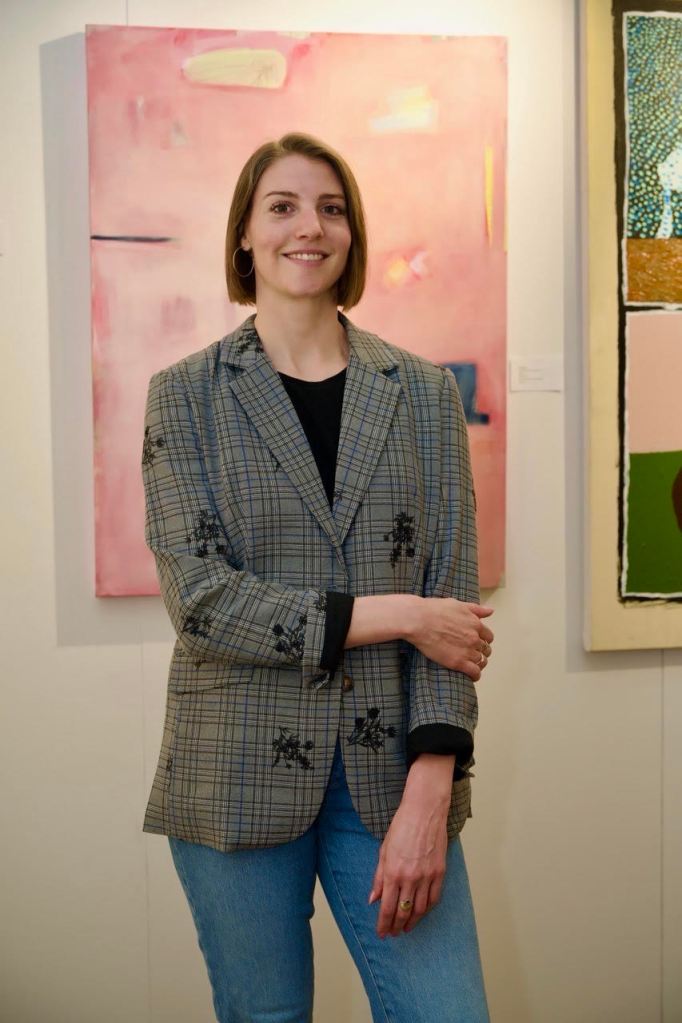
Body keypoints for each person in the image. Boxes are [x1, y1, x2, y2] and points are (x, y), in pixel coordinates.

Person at [141, 131, 494, 1022]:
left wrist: (432, 787)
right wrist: (399, 613)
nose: (312, 226)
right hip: (233, 769)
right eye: (285, 206)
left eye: (332, 208)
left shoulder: (421, 394)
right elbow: (203, 602)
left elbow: (454, 607)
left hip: (393, 780)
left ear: (353, 235)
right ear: (246, 238)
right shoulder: (184, 394)